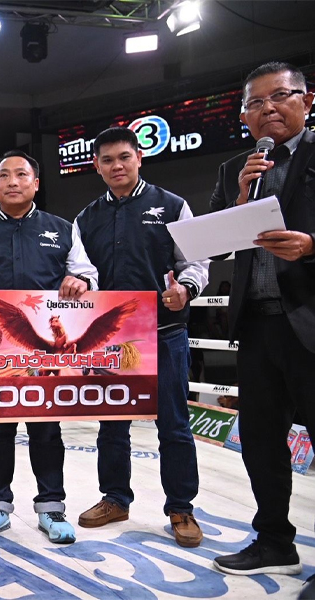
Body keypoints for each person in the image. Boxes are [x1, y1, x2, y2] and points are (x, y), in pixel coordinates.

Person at [0, 150, 98, 544]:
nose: (13, 181)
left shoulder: (63, 229)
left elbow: (87, 275)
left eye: (22, 175)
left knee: (46, 430)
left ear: (36, 183)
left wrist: (81, 282)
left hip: (44, 349)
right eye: (4, 176)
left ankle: (51, 508)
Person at [73, 126, 210, 549]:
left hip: (164, 332)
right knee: (111, 423)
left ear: (139, 158)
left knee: (174, 424)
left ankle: (181, 507)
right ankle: (115, 498)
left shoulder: (173, 205)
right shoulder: (85, 218)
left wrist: (186, 287)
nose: (117, 165)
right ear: (97, 166)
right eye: (108, 160)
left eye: (124, 157)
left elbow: (196, 260)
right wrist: (79, 283)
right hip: (109, 338)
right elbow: (79, 270)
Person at [208, 62, 315, 596]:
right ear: (245, 115)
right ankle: (274, 541)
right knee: (262, 443)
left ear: (307, 101)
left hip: (311, 321)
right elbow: (210, 244)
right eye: (255, 102)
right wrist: (238, 201)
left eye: (280, 96)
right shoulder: (236, 169)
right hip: (256, 326)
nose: (267, 108)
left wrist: (313, 246)